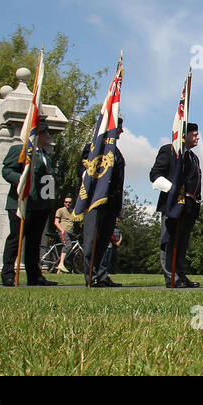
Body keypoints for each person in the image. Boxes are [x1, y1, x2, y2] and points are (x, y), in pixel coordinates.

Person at [1, 127, 59, 287]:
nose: (49, 135)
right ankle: (8, 274)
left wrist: (49, 201)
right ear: (38, 134)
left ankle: (34, 275)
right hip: (21, 203)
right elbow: (7, 170)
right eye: (46, 132)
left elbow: (47, 178)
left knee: (34, 243)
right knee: (15, 239)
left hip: (40, 204)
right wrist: (21, 179)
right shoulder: (20, 149)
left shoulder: (44, 154)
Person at [150, 123, 202, 288]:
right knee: (169, 241)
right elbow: (155, 174)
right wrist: (172, 190)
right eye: (194, 134)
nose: (197, 137)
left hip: (188, 207)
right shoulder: (169, 150)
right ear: (184, 135)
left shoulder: (193, 157)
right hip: (172, 204)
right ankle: (171, 276)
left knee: (182, 242)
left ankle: (180, 274)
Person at [80, 118, 126, 288]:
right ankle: (90, 276)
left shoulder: (116, 152)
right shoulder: (93, 148)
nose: (121, 131)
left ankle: (101, 275)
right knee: (92, 240)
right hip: (95, 202)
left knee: (104, 242)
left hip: (111, 204)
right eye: (119, 128)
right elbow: (84, 171)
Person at [52, 196, 74, 273]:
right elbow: (56, 222)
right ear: (64, 203)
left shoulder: (72, 211)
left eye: (69, 202)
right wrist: (62, 230)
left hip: (71, 232)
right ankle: (61, 264)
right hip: (63, 232)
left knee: (70, 250)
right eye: (66, 202)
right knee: (68, 245)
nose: (68, 204)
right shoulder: (60, 210)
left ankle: (59, 270)